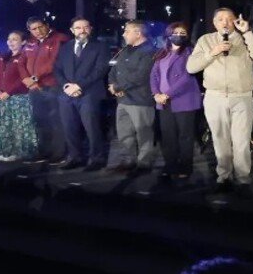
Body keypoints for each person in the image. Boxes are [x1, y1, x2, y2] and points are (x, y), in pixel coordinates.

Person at [187, 8, 253, 193]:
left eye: (229, 19)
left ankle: (243, 178)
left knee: (241, 140)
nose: (225, 22)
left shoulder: (245, 38)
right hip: (215, 97)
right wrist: (212, 53)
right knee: (220, 139)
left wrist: (247, 32)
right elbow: (191, 67)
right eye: (220, 19)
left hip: (242, 97)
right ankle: (224, 176)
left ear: (235, 22)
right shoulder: (205, 40)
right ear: (214, 23)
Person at [53, 17, 111, 171]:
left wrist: (78, 85)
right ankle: (74, 157)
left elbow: (100, 70)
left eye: (86, 27)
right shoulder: (65, 47)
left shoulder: (101, 47)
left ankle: (96, 159)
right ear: (72, 30)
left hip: (90, 94)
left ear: (90, 29)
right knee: (69, 127)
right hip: (66, 95)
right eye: (78, 27)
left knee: (92, 128)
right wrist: (66, 85)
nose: (82, 30)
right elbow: (57, 69)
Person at [150, 22, 202, 179]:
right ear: (168, 34)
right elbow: (154, 75)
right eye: (176, 32)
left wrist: (168, 94)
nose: (179, 35)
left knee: (185, 136)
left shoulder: (190, 52)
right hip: (163, 102)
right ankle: (170, 165)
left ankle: (185, 168)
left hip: (184, 100)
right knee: (168, 136)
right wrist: (156, 94)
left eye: (182, 33)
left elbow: (187, 77)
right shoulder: (162, 53)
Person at [106, 20, 158, 175]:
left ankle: (144, 163)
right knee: (124, 133)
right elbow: (114, 70)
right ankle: (129, 160)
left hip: (140, 100)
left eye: (127, 31)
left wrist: (118, 87)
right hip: (123, 99)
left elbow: (140, 76)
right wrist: (112, 85)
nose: (123, 34)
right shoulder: (125, 50)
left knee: (144, 133)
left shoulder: (149, 51)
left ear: (138, 33)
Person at [21, 16, 72, 163]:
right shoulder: (30, 42)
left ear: (47, 25)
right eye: (33, 29)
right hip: (35, 88)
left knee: (56, 120)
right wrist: (26, 79)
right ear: (29, 30)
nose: (37, 31)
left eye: (40, 27)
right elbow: (21, 62)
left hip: (54, 86)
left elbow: (55, 62)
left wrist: (35, 77)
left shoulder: (60, 39)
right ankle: (44, 151)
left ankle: (59, 153)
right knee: (40, 121)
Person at [0, 31, 38, 161]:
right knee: (2, 125)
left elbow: (23, 78)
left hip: (17, 97)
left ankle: (16, 152)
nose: (11, 42)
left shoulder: (26, 56)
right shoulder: (2, 56)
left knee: (16, 126)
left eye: (15, 39)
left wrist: (9, 92)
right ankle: (3, 150)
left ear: (23, 42)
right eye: (9, 39)